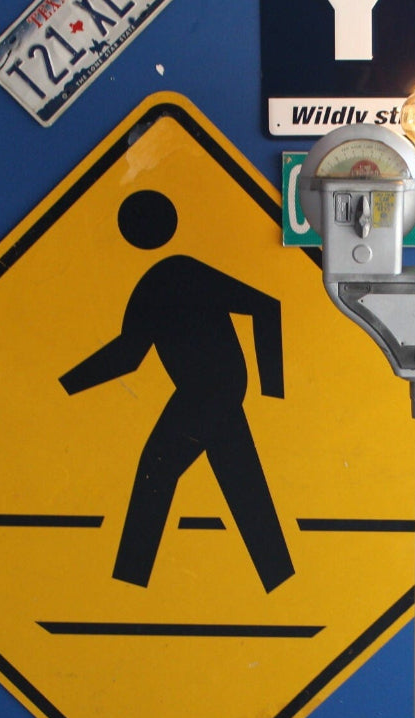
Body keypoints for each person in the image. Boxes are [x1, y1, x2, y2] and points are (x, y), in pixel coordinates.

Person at [60, 189, 294, 592]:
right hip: (212, 391)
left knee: (156, 467)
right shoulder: (156, 282)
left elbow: (264, 306)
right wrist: (67, 385)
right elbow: (129, 355)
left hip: (208, 390)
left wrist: (273, 391)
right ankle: (280, 578)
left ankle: (127, 584)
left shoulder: (177, 273)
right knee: (241, 480)